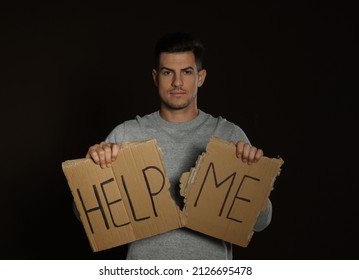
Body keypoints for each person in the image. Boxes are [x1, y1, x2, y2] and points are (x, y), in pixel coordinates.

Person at [84, 31, 271, 260]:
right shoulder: (125, 134)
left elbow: (261, 222)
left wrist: (252, 176)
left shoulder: (229, 135)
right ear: (155, 77)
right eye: (167, 72)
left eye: (187, 72)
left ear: (200, 77)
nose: (177, 82)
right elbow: (85, 216)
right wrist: (92, 171)